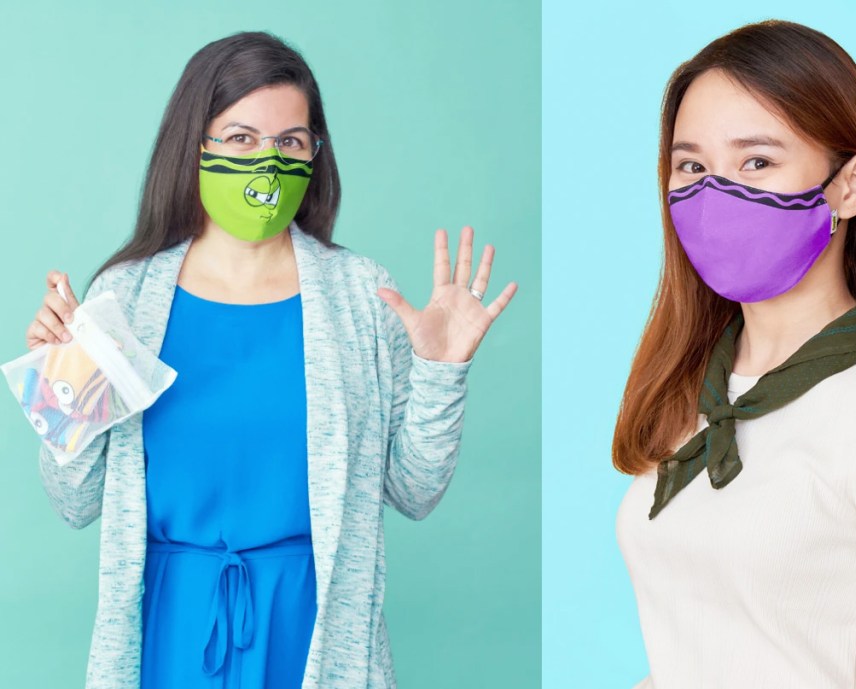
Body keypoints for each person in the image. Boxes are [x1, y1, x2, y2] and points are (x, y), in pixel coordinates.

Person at [26, 31, 516, 689]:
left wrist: (440, 372)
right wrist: (63, 381)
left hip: (310, 632)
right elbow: (74, 500)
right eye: (241, 138)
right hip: (168, 635)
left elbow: (415, 491)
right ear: (194, 144)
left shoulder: (362, 296)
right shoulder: (127, 294)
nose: (267, 160)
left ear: (315, 154)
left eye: (290, 141)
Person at [613, 20, 856, 689]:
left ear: (851, 184)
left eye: (757, 161)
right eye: (692, 166)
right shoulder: (691, 392)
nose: (714, 194)